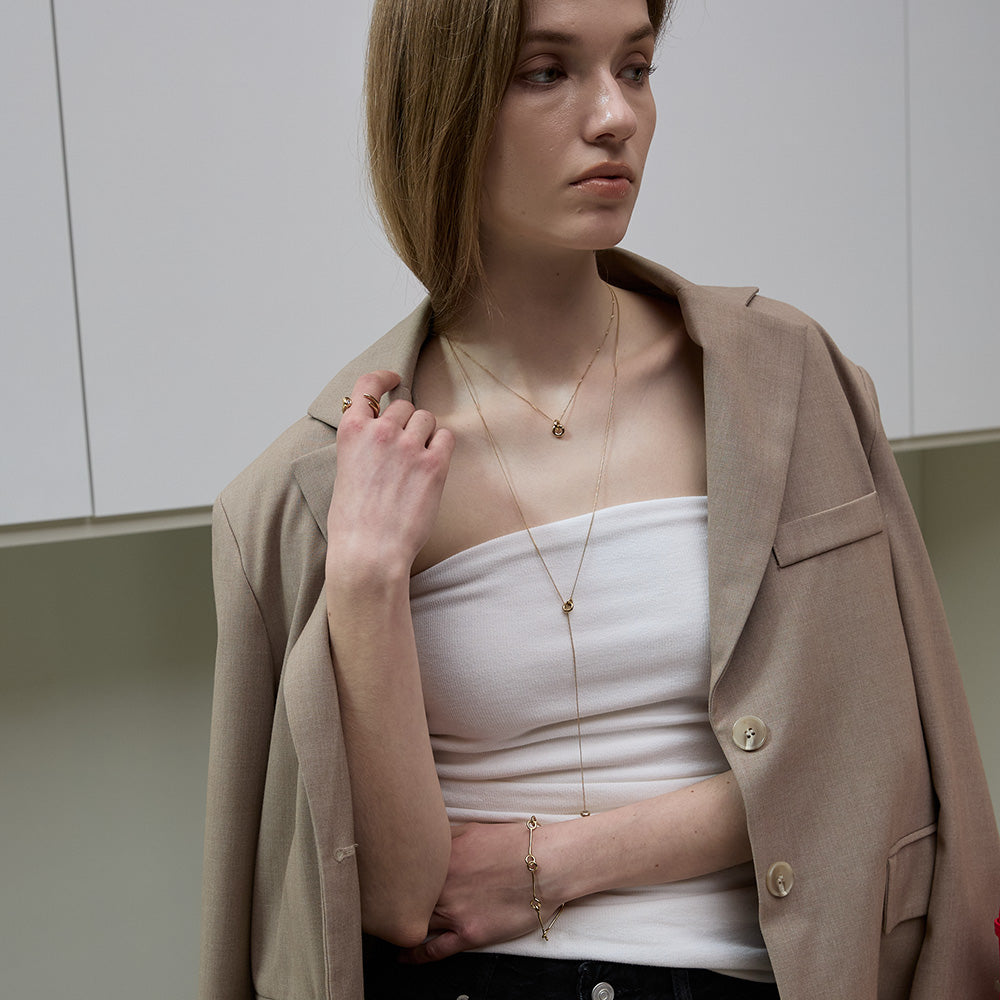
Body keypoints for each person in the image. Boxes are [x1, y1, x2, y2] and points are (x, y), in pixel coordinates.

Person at [198, 0, 1000, 998]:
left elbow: (875, 760)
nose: (614, 116)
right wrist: (364, 575)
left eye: (635, 68)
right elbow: (400, 903)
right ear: (442, 106)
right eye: (547, 73)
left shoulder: (790, 384)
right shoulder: (312, 492)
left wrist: (562, 861)